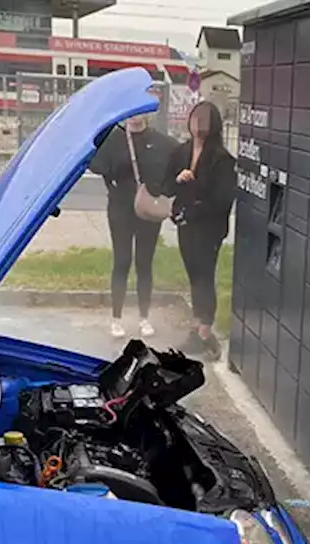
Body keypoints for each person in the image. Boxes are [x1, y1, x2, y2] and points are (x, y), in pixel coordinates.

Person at [88, 110, 178, 338]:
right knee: (122, 261)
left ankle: (144, 318)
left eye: (140, 113)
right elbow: (95, 163)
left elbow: (174, 168)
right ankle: (116, 318)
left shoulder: (161, 142)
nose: (134, 117)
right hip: (120, 209)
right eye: (131, 113)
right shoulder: (114, 140)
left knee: (144, 263)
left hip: (147, 210)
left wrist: (163, 191)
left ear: (148, 114)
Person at [162, 100, 237, 358]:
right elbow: (165, 187)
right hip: (186, 224)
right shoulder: (180, 151)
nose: (197, 126)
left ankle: (204, 331)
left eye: (203, 121)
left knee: (205, 276)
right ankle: (199, 327)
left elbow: (222, 199)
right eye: (195, 119)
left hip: (208, 228)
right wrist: (177, 179)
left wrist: (194, 190)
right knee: (194, 275)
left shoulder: (222, 159)